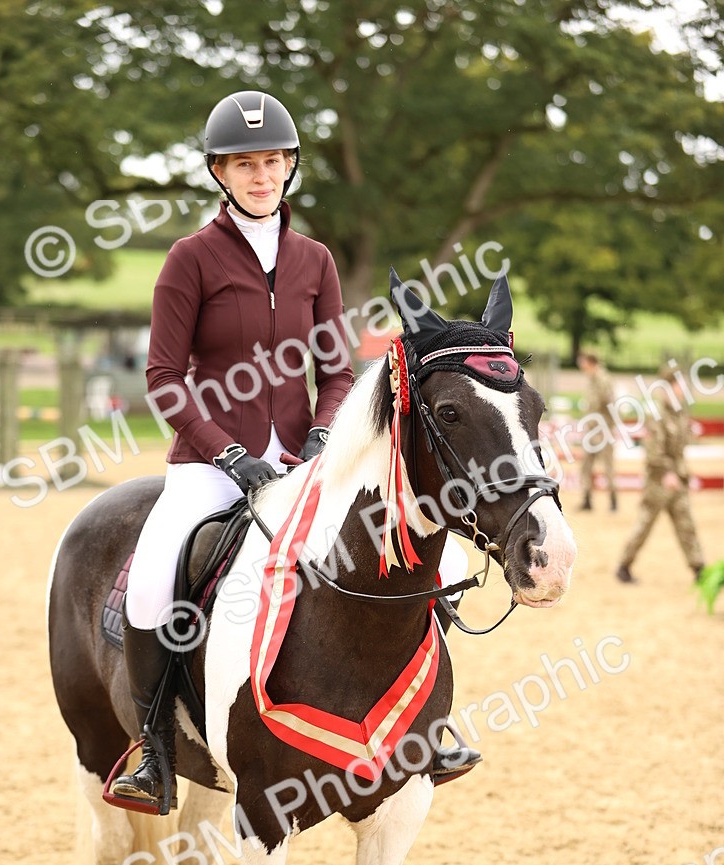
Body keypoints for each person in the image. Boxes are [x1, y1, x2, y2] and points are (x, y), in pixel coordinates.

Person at [111, 91, 478, 805]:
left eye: (273, 161)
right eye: (244, 163)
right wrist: (223, 453)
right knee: (157, 571)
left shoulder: (314, 260)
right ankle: (153, 746)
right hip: (211, 468)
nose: (261, 175)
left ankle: (430, 724)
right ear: (219, 172)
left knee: (430, 551)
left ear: (290, 168)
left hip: (307, 465)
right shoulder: (190, 259)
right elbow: (162, 377)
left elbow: (337, 369)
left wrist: (322, 434)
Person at [615, 366, 705, 584]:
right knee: (644, 525)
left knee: (686, 525)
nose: (682, 390)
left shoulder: (680, 413)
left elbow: (680, 447)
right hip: (659, 481)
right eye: (678, 385)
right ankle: (624, 565)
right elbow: (654, 451)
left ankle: (699, 568)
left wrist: (681, 473)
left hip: (677, 478)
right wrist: (666, 473)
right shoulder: (658, 415)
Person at [576, 351, 617, 511]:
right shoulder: (592, 379)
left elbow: (610, 404)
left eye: (583, 363)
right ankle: (587, 499)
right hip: (592, 429)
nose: (582, 366)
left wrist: (607, 428)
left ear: (591, 362)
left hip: (602, 429)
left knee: (608, 467)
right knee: (586, 465)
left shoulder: (603, 380)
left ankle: (613, 501)